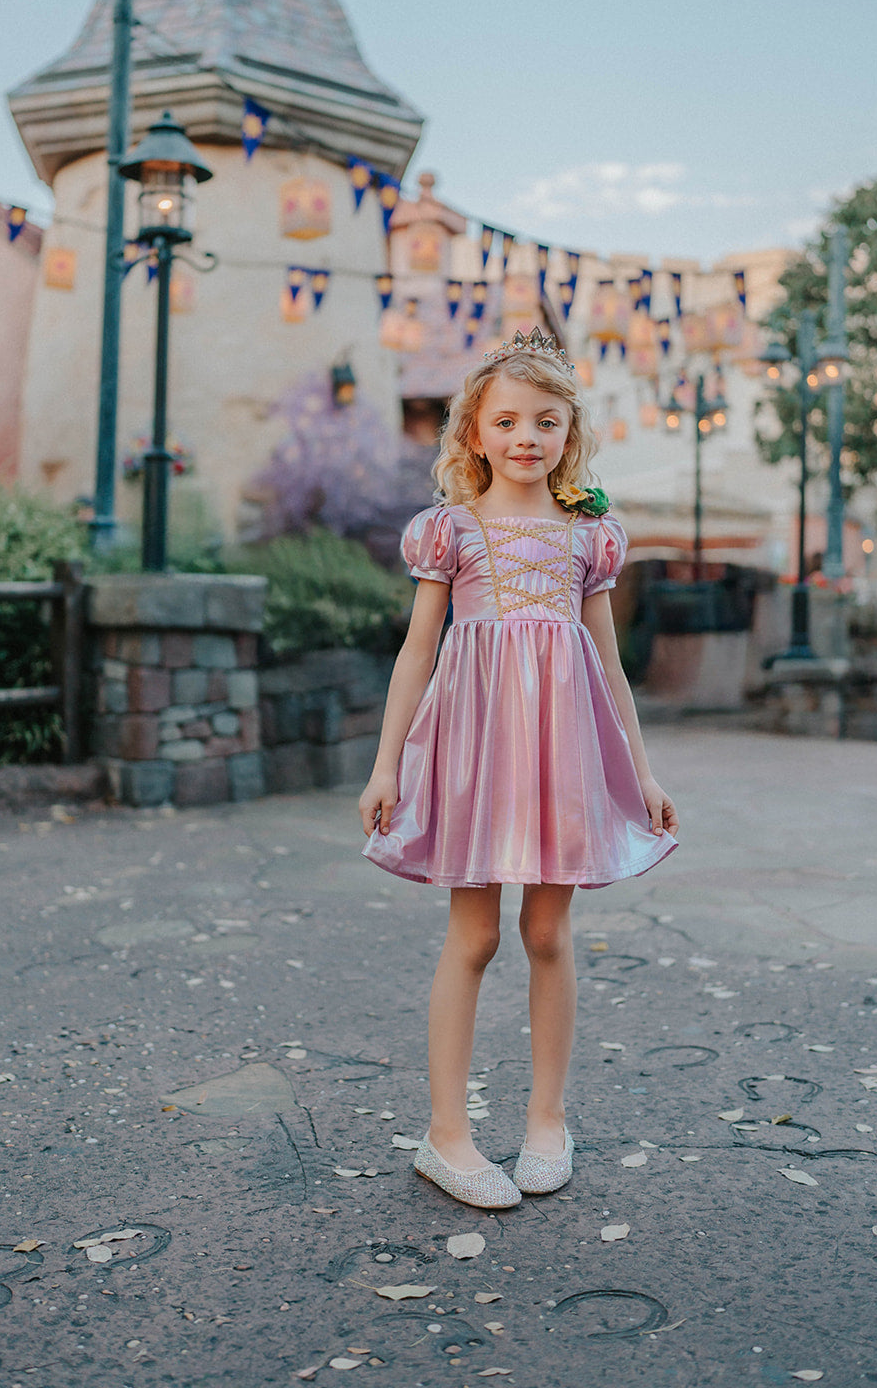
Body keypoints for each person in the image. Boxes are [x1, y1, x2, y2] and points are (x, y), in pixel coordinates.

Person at [358, 327, 679, 1210]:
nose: (525, 438)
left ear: (568, 433)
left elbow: (609, 667)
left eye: (544, 421)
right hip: (474, 753)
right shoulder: (450, 532)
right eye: (506, 422)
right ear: (474, 434)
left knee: (545, 934)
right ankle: (446, 1135)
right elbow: (417, 652)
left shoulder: (589, 537)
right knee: (475, 935)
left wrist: (642, 775)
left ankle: (547, 1121)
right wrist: (386, 766)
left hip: (561, 753)